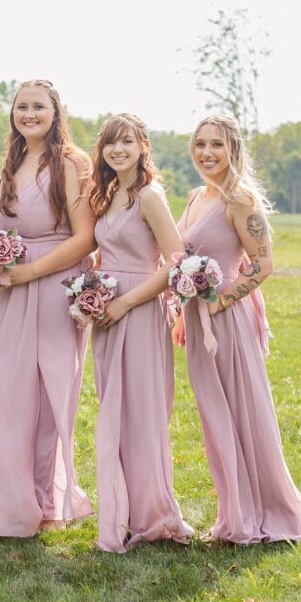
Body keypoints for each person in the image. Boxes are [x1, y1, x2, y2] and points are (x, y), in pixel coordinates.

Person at [173, 115, 301, 544]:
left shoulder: (239, 199)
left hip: (227, 320)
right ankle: (233, 514)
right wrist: (183, 310)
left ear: (233, 150)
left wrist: (221, 301)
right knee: (216, 419)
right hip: (198, 320)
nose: (206, 153)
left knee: (242, 413)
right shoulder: (196, 196)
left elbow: (264, 264)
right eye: (200, 144)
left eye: (216, 145)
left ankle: (264, 513)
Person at [0, 80, 96, 537]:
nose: (29, 114)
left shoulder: (71, 162)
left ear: (55, 112)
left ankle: (45, 505)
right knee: (2, 397)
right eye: (22, 107)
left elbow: (85, 237)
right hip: (0, 295)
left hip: (49, 289)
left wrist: (29, 271)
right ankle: (13, 509)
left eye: (38, 107)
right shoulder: (11, 162)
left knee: (47, 402)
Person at [90, 113, 194, 553]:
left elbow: (176, 262)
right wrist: (91, 295)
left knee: (142, 414)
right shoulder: (107, 193)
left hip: (138, 307)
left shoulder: (149, 196)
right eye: (111, 143)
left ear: (142, 147)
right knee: (113, 414)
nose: (118, 150)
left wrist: (126, 302)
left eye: (127, 142)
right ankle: (125, 511)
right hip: (105, 313)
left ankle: (154, 514)